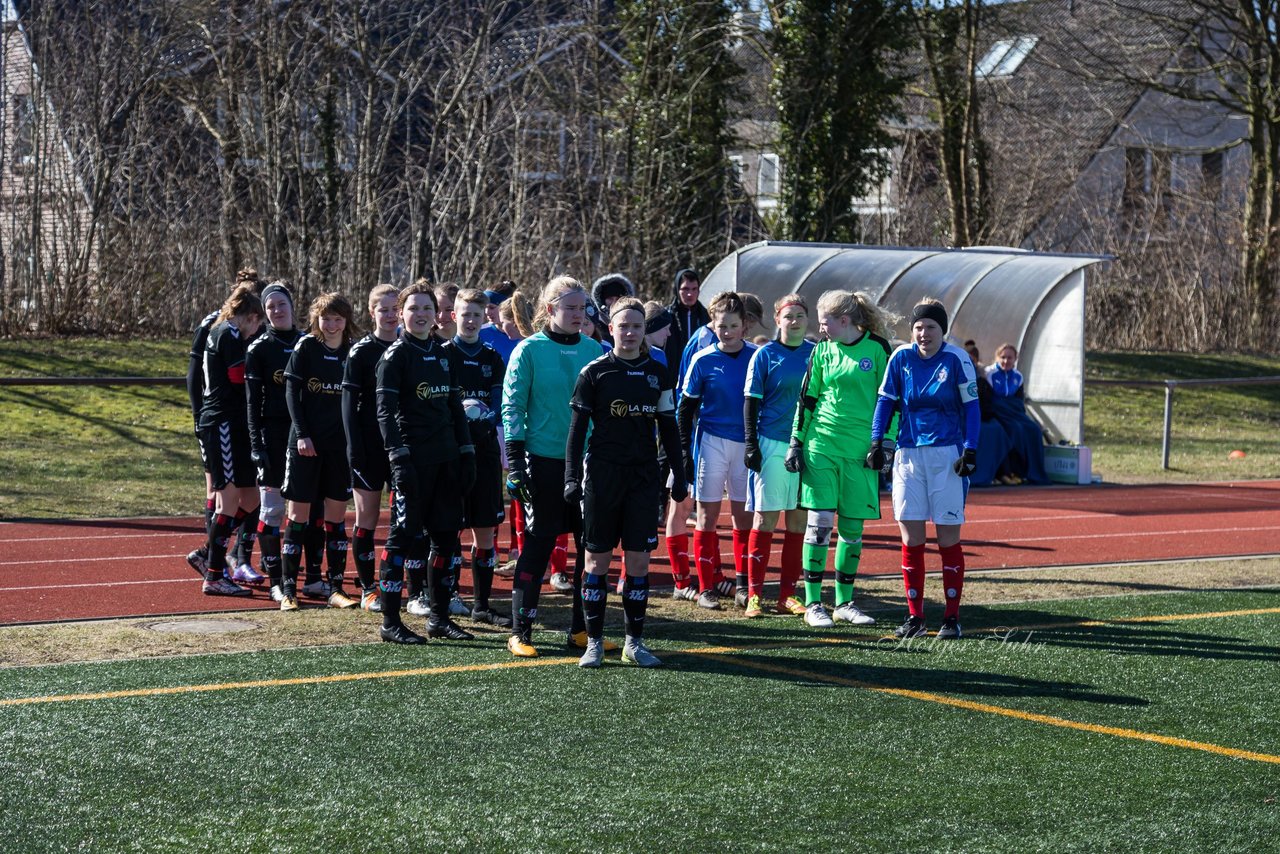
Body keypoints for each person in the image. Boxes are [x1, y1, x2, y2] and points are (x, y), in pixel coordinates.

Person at [567, 298, 688, 667]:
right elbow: (576, 432)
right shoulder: (594, 372)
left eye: (637, 326)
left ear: (644, 330)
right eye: (624, 326)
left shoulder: (658, 372)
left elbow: (669, 427)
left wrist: (679, 475)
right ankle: (595, 641)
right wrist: (572, 477)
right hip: (603, 476)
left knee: (638, 562)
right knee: (595, 561)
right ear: (611, 328)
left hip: (642, 477)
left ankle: (634, 643)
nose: (631, 332)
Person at [501, 275, 601, 657]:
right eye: (570, 308)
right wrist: (515, 464)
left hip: (587, 465)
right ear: (550, 310)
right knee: (539, 545)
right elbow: (512, 408)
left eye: (582, 308)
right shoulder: (528, 350)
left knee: (588, 547)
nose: (579, 314)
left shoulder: (594, 348)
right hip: (541, 461)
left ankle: (581, 630)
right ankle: (520, 632)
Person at [785, 291, 898, 628]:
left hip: (861, 452)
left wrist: (886, 444)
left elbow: (891, 401)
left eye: (824, 322)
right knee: (819, 525)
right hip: (821, 446)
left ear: (844, 320)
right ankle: (813, 604)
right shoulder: (821, 351)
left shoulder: (878, 350)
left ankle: (844, 603)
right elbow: (806, 400)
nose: (821, 329)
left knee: (852, 529)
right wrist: (796, 442)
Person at [374, 282, 478, 644]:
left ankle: (439, 618)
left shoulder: (446, 354)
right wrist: (398, 459)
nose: (420, 315)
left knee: (446, 541)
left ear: (437, 315)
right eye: (413, 308)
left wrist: (466, 451)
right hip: (413, 463)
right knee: (401, 539)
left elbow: (454, 407)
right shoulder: (395, 357)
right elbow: (384, 413)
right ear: (401, 313)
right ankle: (390, 621)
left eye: (427, 308)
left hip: (447, 460)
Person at [871, 298, 980, 640]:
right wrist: (877, 442)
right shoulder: (900, 357)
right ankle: (915, 617)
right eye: (918, 327)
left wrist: (971, 450)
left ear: (942, 330)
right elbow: (886, 401)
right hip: (908, 455)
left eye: (930, 327)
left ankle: (951, 617)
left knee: (948, 537)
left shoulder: (957, 358)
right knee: (910, 537)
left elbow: (973, 408)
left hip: (947, 456)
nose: (923, 333)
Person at [278, 292, 359, 611]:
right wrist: (302, 434)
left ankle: (335, 587)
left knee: (336, 520)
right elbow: (292, 393)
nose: (332, 324)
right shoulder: (306, 346)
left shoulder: (353, 351)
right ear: (317, 319)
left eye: (338, 318)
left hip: (339, 449)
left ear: (346, 321)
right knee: (297, 517)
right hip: (305, 446)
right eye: (326, 318)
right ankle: (288, 590)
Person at [678, 291, 758, 610]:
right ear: (713, 324)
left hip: (746, 445)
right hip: (711, 442)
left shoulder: (756, 356)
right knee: (707, 517)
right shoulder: (703, 359)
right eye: (720, 325)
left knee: (743, 518)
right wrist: (683, 452)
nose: (726, 331)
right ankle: (707, 587)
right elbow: (685, 409)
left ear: (744, 327)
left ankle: (741, 586)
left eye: (733, 325)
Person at [184, 268, 263, 578]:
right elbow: (236, 376)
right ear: (248, 314)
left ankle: (208, 551)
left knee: (251, 498)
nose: (257, 327)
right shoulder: (226, 332)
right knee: (226, 499)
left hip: (237, 423)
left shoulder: (234, 333)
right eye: (256, 320)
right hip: (221, 423)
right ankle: (216, 573)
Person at [742, 294, 814, 618]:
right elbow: (751, 402)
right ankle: (754, 596)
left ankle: (787, 595)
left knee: (798, 521)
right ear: (778, 320)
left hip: (807, 447)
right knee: (765, 519)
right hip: (771, 444)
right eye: (789, 316)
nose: (794, 321)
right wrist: (750, 444)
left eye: (800, 315)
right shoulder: (764, 355)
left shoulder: (817, 354)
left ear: (807, 320)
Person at [444, 288, 512, 627]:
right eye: (464, 314)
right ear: (454, 316)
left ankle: (482, 605)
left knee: (485, 530)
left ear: (485, 317)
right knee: (449, 528)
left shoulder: (491, 357)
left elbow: (500, 403)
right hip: (452, 453)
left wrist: (486, 415)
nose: (470, 320)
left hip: (484, 451)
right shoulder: (442, 355)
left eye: (476, 314)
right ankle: (449, 596)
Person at [341, 284, 400, 612]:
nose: (390, 315)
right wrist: (354, 450)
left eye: (395, 309)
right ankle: (368, 589)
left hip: (401, 448)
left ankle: (402, 583)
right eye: (384, 309)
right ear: (371, 312)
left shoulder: (408, 347)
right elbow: (348, 406)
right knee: (367, 518)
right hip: (367, 449)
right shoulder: (361, 351)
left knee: (403, 520)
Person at [245, 280, 302, 602]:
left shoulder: (308, 342)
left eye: (282, 304)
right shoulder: (259, 348)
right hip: (272, 437)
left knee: (307, 510)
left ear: (292, 307)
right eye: (271, 307)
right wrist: (256, 445)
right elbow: (252, 404)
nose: (277, 310)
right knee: (272, 512)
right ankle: (276, 581)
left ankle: (310, 578)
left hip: (305, 437)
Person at [986, 343, 1049, 485]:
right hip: (998, 413)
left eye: (1009, 358)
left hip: (1014, 413)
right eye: (1003, 357)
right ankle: (1012, 471)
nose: (1006, 361)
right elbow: (988, 399)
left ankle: (1033, 472)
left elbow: (1018, 402)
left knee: (1033, 430)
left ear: (1015, 359)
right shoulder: (989, 374)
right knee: (1016, 430)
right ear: (997, 358)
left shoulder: (1018, 377)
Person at [962, 341, 1015, 487]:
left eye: (972, 360)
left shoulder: (981, 380)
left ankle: (999, 473)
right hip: (962, 419)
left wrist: (986, 415)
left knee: (998, 430)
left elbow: (986, 402)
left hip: (983, 417)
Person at [664, 267, 710, 370]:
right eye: (685, 289)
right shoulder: (667, 316)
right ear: (677, 290)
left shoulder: (706, 317)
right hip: (673, 374)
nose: (690, 294)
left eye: (694, 289)